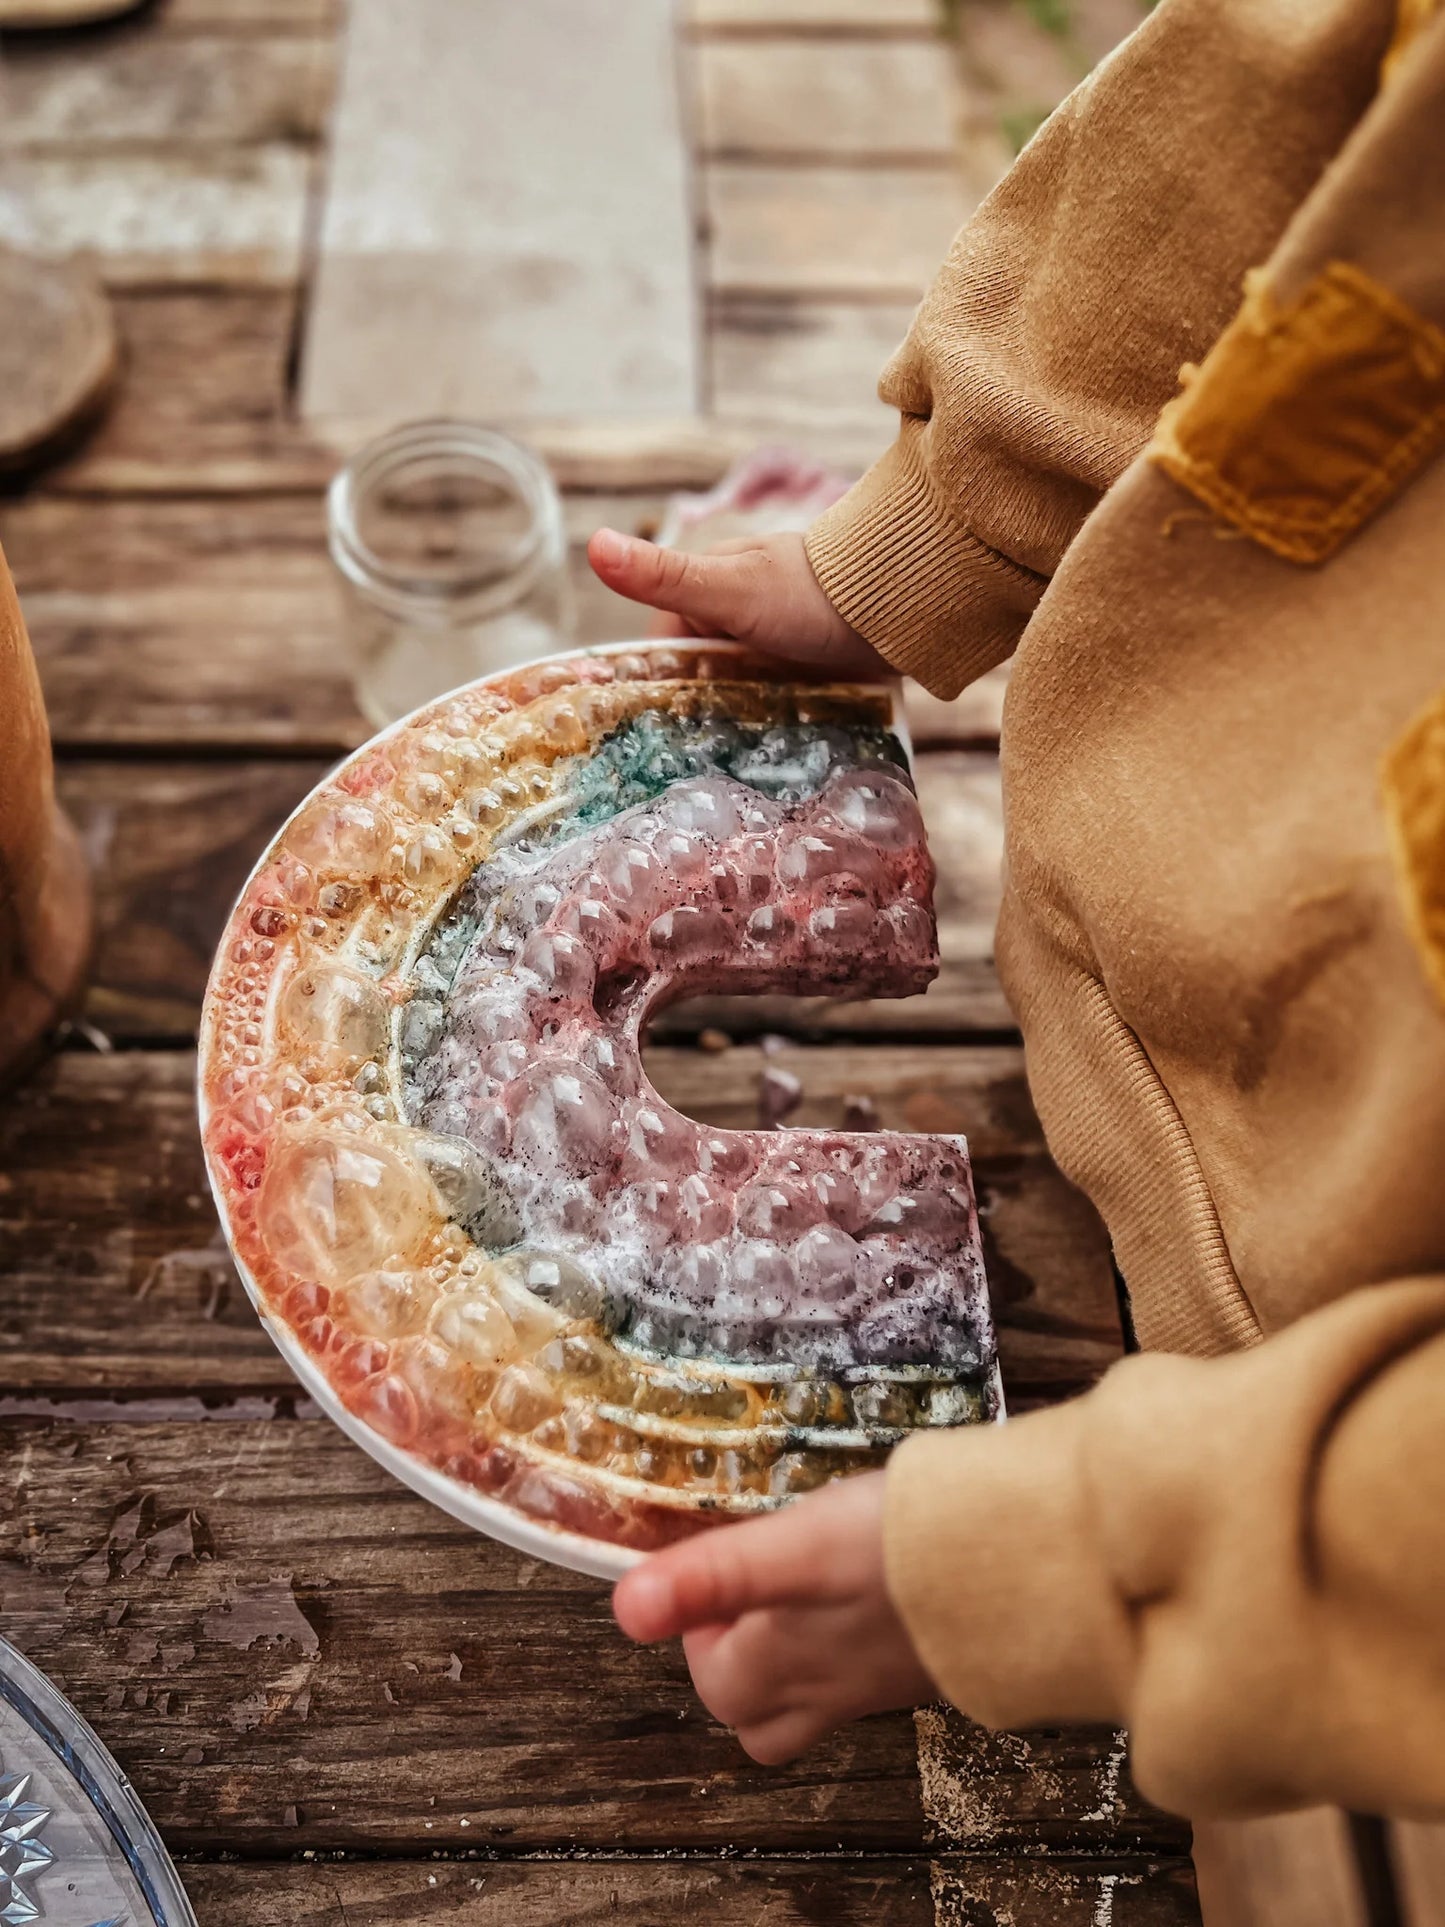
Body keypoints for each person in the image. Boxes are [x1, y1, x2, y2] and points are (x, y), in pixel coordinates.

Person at [584, 0, 1445, 1822]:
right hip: (1133, 1074)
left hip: (1343, 1653)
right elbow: (1275, 83)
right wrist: (949, 527)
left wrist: (1106, 1562)